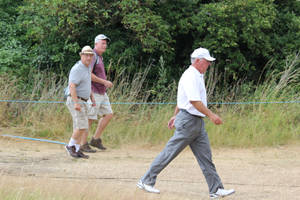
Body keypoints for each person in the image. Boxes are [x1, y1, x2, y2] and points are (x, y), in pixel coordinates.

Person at [137, 48, 235, 199]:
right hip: (189, 121)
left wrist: (175, 115)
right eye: (206, 62)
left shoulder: (197, 75)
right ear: (197, 61)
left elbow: (182, 99)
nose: (209, 65)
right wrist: (211, 115)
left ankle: (216, 189)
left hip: (195, 122)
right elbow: (193, 101)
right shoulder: (190, 76)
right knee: (170, 152)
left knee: (205, 157)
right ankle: (146, 180)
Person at [80, 34, 113, 152]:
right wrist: (104, 81)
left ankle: (95, 139)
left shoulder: (99, 57)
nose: (105, 46)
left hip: (102, 92)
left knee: (109, 114)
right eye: (102, 43)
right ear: (96, 44)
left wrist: (104, 84)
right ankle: (83, 144)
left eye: (105, 43)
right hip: (94, 91)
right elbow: (88, 74)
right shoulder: (93, 56)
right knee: (90, 118)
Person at [65, 45, 96, 159]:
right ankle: (70, 146)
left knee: (81, 126)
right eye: (86, 55)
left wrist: (92, 98)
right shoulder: (77, 68)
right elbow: (72, 86)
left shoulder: (87, 67)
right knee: (81, 125)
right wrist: (76, 102)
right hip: (76, 99)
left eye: (90, 55)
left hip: (84, 100)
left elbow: (87, 84)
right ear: (81, 55)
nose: (88, 57)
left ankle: (77, 149)